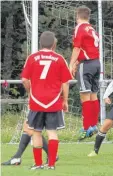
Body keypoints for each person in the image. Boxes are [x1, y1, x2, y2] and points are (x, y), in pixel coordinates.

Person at [21, 31, 72, 169]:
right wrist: (65, 100)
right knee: (52, 132)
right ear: (54, 44)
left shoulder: (32, 58)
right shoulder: (60, 58)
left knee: (36, 132)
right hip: (54, 101)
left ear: (40, 43)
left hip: (36, 101)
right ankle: (51, 164)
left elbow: (24, 79)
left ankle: (38, 164)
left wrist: (30, 92)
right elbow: (65, 82)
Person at [69, 5, 100, 141]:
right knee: (93, 95)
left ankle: (86, 128)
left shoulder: (79, 28)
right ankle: (93, 125)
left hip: (86, 65)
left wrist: (71, 64)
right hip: (96, 64)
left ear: (77, 16)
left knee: (84, 96)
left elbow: (77, 48)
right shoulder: (92, 29)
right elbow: (86, 48)